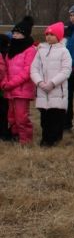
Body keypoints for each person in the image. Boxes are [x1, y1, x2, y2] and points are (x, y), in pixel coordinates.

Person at [31, 22, 72, 146]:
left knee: (56, 117)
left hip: (57, 91)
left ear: (59, 36)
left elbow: (66, 71)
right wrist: (39, 82)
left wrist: (52, 83)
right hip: (42, 90)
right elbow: (34, 69)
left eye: (52, 34)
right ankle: (46, 138)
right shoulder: (41, 51)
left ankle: (52, 139)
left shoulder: (64, 52)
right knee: (45, 119)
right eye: (47, 34)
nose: (48, 37)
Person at [2, 16, 37, 144]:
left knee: (22, 117)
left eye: (18, 33)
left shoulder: (30, 50)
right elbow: (6, 68)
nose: (15, 35)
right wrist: (5, 82)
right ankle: (15, 136)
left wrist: (11, 84)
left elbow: (27, 72)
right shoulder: (11, 49)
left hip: (22, 90)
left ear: (25, 34)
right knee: (11, 116)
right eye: (14, 33)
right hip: (10, 89)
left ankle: (25, 140)